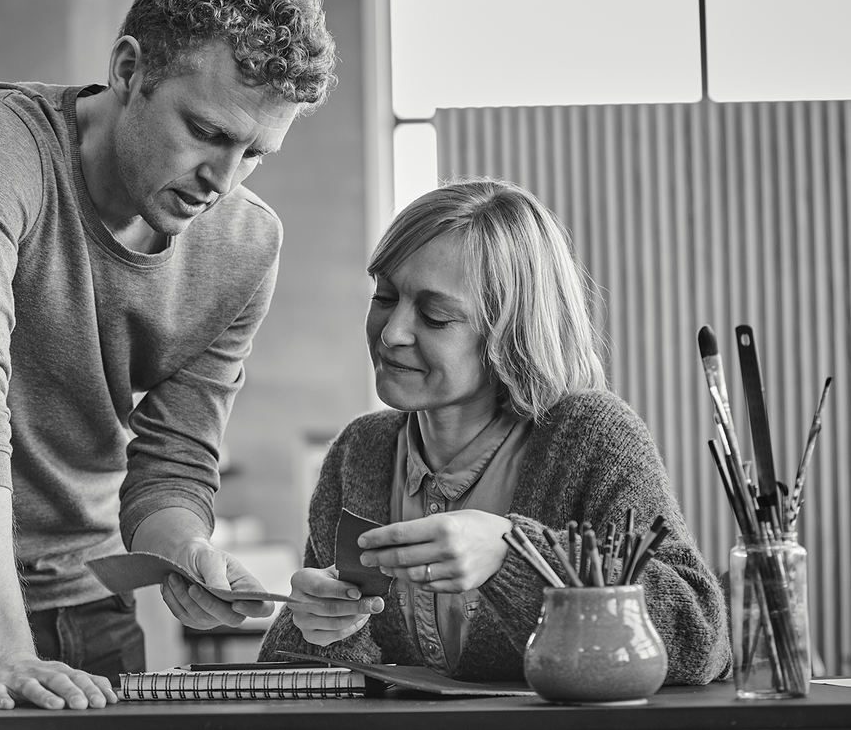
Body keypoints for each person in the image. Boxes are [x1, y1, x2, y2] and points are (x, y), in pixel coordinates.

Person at [0, 0, 337, 724]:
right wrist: (4, 650)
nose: (222, 180)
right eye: (206, 132)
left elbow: (174, 457)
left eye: (254, 154)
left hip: (93, 603)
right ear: (128, 68)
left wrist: (184, 553)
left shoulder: (248, 243)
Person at [258, 178, 732, 685]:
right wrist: (319, 625)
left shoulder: (591, 438)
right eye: (384, 296)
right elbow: (300, 680)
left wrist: (515, 554)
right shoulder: (360, 451)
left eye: (436, 317)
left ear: (513, 332)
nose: (392, 333)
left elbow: (700, 638)